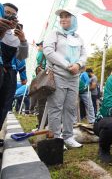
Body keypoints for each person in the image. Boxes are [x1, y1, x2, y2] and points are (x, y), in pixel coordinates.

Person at [43, 8, 87, 148]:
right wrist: (68, 65)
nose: (63, 19)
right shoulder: (54, 34)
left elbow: (84, 55)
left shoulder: (79, 38)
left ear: (74, 19)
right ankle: (57, 138)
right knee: (55, 107)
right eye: (61, 16)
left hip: (74, 78)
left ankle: (68, 137)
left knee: (70, 108)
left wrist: (78, 64)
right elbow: (48, 51)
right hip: (57, 75)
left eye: (67, 16)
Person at [0, 3, 28, 132]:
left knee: (5, 104)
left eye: (12, 14)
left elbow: (22, 57)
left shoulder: (15, 36)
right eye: (7, 12)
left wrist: (23, 40)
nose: (9, 16)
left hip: (10, 73)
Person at [29, 41, 47, 128]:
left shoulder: (41, 53)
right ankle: (46, 123)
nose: (38, 48)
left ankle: (41, 124)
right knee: (48, 103)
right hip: (50, 80)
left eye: (39, 46)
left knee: (41, 103)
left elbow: (39, 65)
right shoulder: (51, 54)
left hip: (42, 80)